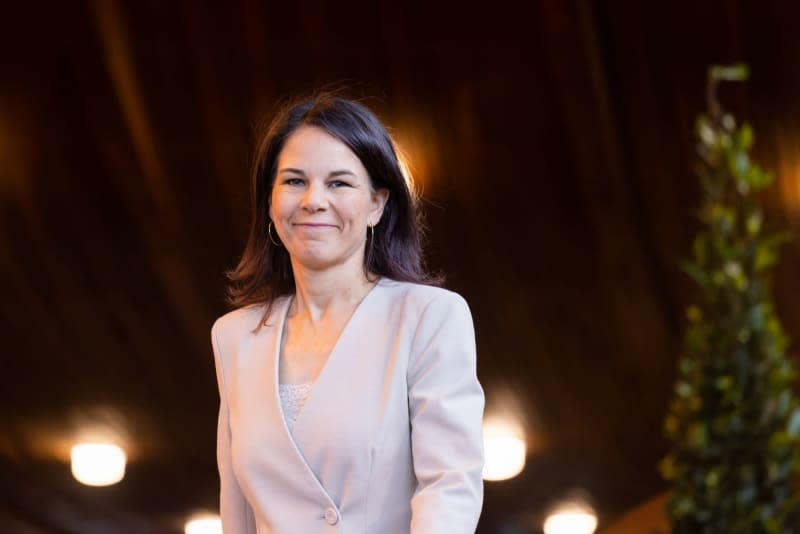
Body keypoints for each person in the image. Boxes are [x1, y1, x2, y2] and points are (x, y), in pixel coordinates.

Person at [211, 93, 484, 533]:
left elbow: (449, 486)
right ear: (269, 202)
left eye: (339, 183)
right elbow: (237, 508)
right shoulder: (235, 336)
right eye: (294, 181)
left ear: (377, 204)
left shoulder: (429, 317)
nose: (313, 200)